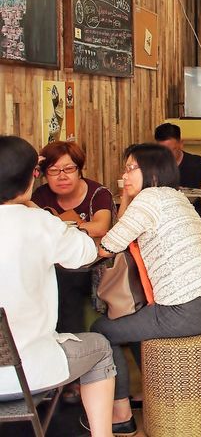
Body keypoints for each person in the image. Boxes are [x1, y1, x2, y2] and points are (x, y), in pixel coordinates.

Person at [91, 143, 201, 433]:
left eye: (131, 168)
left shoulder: (149, 200)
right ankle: (154, 391)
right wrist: (128, 196)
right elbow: (124, 232)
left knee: (103, 330)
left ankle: (121, 414)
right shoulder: (175, 197)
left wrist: (126, 199)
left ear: (152, 171)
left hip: (186, 309)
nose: (124, 175)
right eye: (125, 168)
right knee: (136, 320)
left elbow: (109, 245)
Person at [0, 136, 115, 437]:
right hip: (27, 373)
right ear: (32, 177)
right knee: (101, 349)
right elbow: (86, 252)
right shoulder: (39, 223)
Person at [32, 140, 115, 404]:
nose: (62, 176)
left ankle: (72, 376)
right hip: (58, 265)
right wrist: (76, 225)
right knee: (56, 282)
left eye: (69, 169)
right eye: (54, 171)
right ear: (44, 175)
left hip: (95, 266)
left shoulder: (97, 193)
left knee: (65, 284)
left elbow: (101, 226)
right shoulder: (40, 197)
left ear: (80, 170)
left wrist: (60, 224)